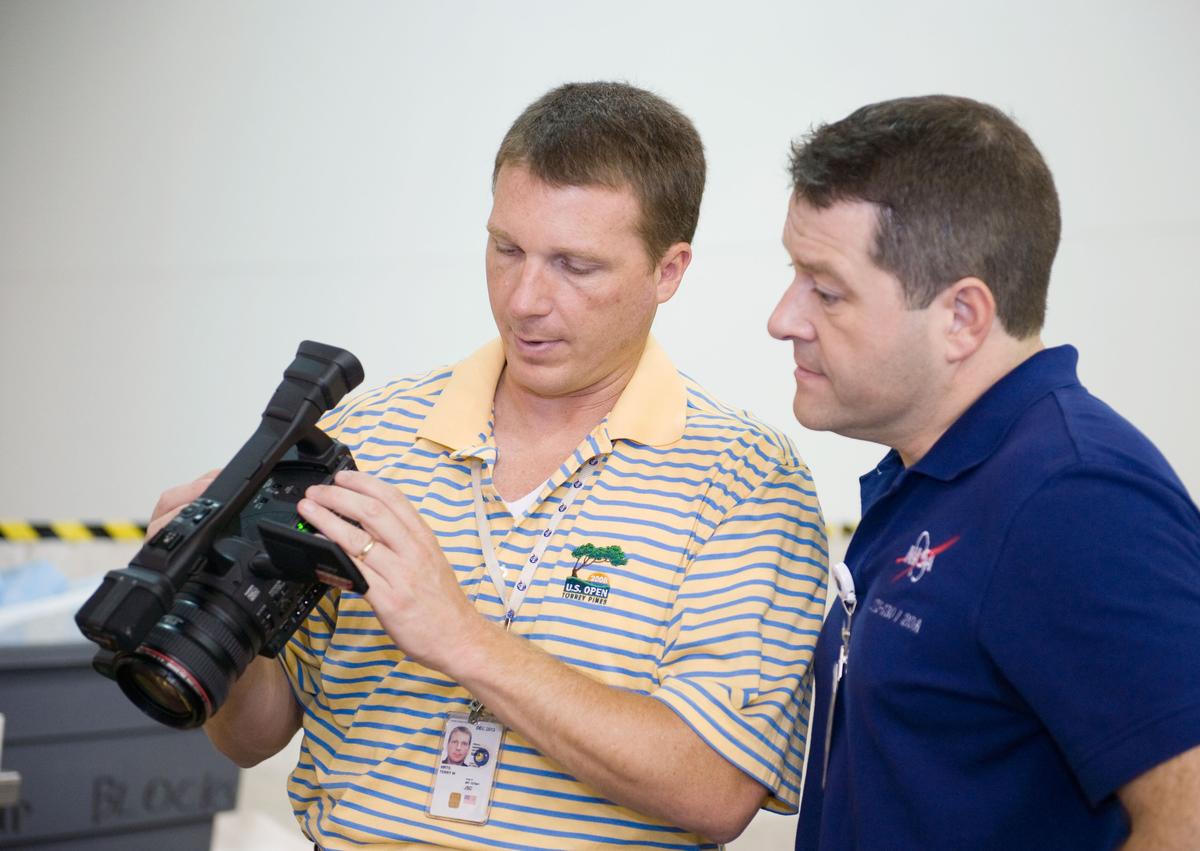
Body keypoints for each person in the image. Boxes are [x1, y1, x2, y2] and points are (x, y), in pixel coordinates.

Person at [149, 81, 828, 849]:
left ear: (668, 271)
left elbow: (715, 788)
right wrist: (210, 601)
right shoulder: (366, 437)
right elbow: (254, 736)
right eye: (506, 249)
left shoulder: (747, 481)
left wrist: (461, 637)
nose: (524, 299)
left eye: (575, 265)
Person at [767, 95, 1200, 849]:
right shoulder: (936, 475)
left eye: (827, 290)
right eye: (794, 276)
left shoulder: (1073, 498)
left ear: (962, 318)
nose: (783, 318)